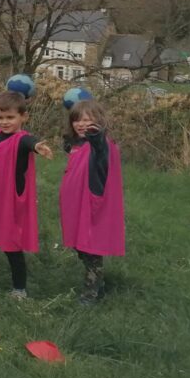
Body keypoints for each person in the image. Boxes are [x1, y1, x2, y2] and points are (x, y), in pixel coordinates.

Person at [0, 91, 53, 298]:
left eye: (10, 117)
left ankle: (19, 289)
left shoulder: (21, 140)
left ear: (23, 117)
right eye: (0, 117)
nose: (4, 122)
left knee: (11, 245)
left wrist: (37, 146)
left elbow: (29, 142)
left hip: (9, 203)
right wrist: (1, 101)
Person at [60, 99, 124, 305]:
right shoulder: (78, 145)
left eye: (88, 120)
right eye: (77, 120)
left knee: (91, 249)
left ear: (99, 122)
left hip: (92, 206)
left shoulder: (101, 144)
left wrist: (96, 134)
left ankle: (91, 293)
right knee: (82, 249)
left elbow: (99, 147)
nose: (81, 124)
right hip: (76, 204)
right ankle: (100, 285)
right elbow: (68, 144)